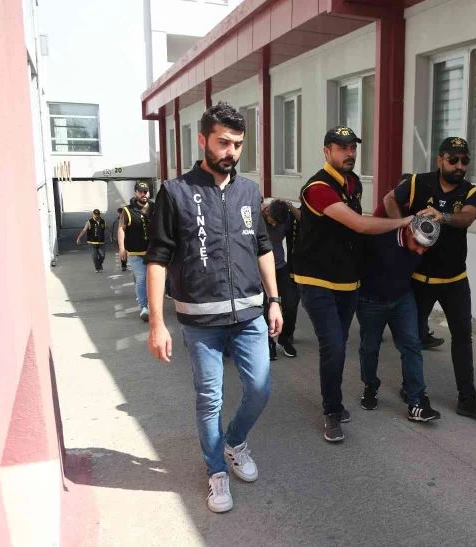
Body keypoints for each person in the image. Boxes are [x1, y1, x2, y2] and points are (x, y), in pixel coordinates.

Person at [145, 102, 283, 514]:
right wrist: (157, 322)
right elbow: (157, 258)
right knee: (210, 400)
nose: (231, 152)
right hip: (201, 321)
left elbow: (262, 247)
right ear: (203, 140)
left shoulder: (249, 192)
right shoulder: (175, 193)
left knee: (260, 389)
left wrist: (275, 300)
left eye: (238, 144)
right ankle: (216, 471)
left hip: (250, 316)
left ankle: (235, 442)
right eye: (223, 142)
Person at [292, 126, 413, 443]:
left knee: (339, 344)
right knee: (333, 345)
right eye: (341, 147)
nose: (349, 153)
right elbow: (359, 224)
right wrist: (404, 221)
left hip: (347, 280)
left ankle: (332, 398)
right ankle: (332, 411)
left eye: (352, 148)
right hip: (316, 280)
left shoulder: (353, 183)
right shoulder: (318, 188)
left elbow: (355, 231)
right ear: (326, 151)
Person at [383, 137, 476, 420]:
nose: (459, 166)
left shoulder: (471, 192)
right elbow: (389, 199)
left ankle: (467, 397)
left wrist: (442, 216)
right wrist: (402, 227)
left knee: (462, 337)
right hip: (419, 278)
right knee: (411, 338)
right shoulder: (417, 183)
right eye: (453, 160)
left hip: (455, 280)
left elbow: (466, 217)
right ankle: (411, 388)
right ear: (439, 159)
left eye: (464, 161)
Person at [357, 215, 442, 422]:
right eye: (418, 244)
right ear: (408, 230)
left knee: (412, 345)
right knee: (370, 347)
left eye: (426, 248)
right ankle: (370, 385)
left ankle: (417, 402)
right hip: (370, 301)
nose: (420, 251)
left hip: (403, 299)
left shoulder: (421, 244)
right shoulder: (380, 237)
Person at [262, 199, 301, 360]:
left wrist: (290, 206)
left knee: (291, 304)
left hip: (280, 267)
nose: (274, 225)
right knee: (266, 307)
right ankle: (268, 342)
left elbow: (302, 220)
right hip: (261, 271)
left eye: (277, 223)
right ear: (267, 212)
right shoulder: (257, 218)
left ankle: (285, 339)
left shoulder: (285, 218)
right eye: (272, 221)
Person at [118, 182, 153, 321]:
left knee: (152, 280)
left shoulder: (155, 208)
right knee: (142, 278)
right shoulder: (127, 210)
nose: (144, 194)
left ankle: (149, 302)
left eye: (146, 191)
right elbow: (121, 229)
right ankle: (144, 307)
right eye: (140, 191)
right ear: (136, 193)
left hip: (154, 252)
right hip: (135, 253)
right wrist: (122, 248)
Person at [110, 207, 127, 271]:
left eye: (121, 213)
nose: (120, 214)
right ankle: (123, 265)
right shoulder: (115, 220)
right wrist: (112, 237)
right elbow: (113, 229)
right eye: (119, 213)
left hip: (126, 239)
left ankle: (124, 264)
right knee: (122, 251)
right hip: (117, 239)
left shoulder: (126, 220)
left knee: (125, 251)